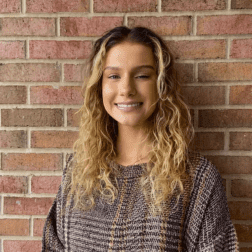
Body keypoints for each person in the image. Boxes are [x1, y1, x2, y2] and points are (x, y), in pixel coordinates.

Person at [42, 26, 239, 251]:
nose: (126, 89)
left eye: (142, 75)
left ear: (161, 85)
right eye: (114, 76)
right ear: (99, 86)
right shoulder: (78, 170)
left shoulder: (197, 179)